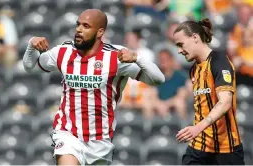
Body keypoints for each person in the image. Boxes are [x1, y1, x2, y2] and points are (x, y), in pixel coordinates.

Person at [22, 9, 165, 165]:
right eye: (78, 25)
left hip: (100, 140)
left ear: (100, 32)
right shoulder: (63, 52)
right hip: (68, 134)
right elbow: (31, 66)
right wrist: (31, 45)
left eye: (86, 26)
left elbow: (157, 79)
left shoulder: (115, 57)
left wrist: (137, 57)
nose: (79, 29)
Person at [173, 18, 244, 165]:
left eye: (181, 45)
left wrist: (197, 128)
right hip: (199, 147)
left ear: (195, 37)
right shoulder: (194, 70)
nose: (179, 51)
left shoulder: (219, 61)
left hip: (226, 149)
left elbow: (225, 103)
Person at [143, 49, 189, 120]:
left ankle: (183, 128)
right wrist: (159, 104)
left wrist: (166, 104)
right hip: (159, 104)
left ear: (171, 60)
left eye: (165, 59)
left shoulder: (180, 76)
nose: (163, 62)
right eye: (161, 60)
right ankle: (148, 129)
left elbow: (181, 95)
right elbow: (152, 94)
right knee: (147, 104)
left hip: (173, 103)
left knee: (180, 103)